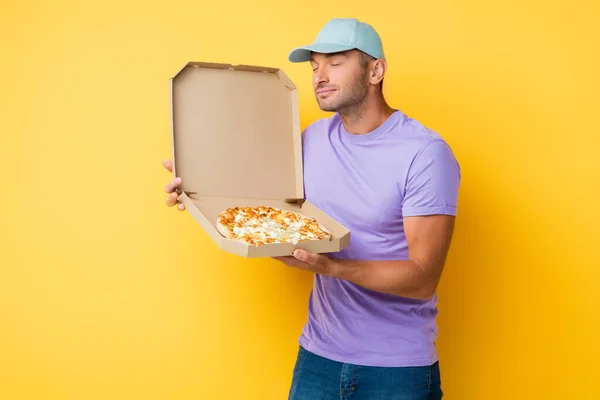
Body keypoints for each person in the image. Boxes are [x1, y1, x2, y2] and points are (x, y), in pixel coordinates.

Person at [163, 18, 460, 400]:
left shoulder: (424, 153)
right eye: (315, 65)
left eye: (335, 62)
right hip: (318, 360)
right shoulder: (310, 141)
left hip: (396, 371)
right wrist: (196, 184)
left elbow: (423, 278)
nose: (320, 75)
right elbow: (260, 202)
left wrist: (331, 267)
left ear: (376, 70)